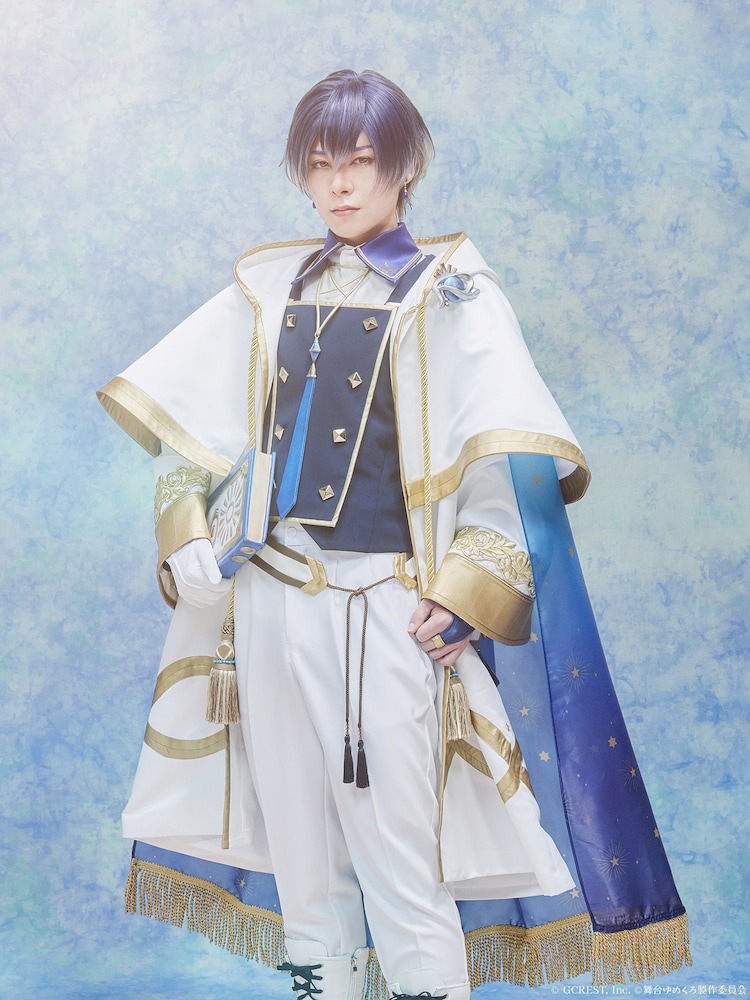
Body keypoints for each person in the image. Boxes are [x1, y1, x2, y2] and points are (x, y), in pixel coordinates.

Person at [99, 70, 691, 1000]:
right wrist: (185, 531)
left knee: (405, 874)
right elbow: (192, 440)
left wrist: (464, 595)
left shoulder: (454, 292)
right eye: (319, 164)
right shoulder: (266, 289)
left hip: (382, 610)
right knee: (304, 870)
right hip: (265, 605)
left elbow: (499, 470)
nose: (338, 184)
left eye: (361, 161)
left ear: (405, 166)